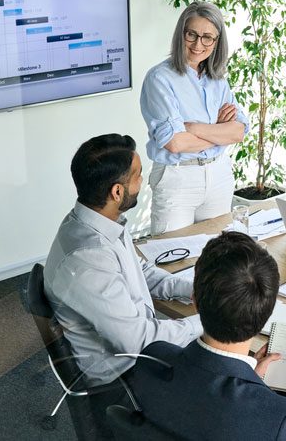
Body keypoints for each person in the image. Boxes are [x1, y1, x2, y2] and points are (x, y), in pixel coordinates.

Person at [126, 231, 286, 440]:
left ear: (194, 300)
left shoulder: (151, 360)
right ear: (268, 311)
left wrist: (252, 383)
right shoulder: (282, 421)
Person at [43, 134, 203, 390]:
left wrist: (192, 289)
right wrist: (210, 321)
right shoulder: (87, 260)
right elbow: (139, 341)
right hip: (126, 378)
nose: (143, 181)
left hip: (137, 349)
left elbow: (140, 271)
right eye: (138, 175)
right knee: (230, 366)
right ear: (117, 192)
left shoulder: (96, 221)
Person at [140, 2, 248, 235]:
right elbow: (175, 143)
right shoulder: (159, 78)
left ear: (217, 41)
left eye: (207, 37)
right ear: (181, 34)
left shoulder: (218, 79)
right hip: (177, 177)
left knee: (219, 258)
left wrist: (193, 127)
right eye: (192, 34)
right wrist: (219, 132)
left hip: (218, 175)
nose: (198, 44)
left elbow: (238, 131)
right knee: (173, 258)